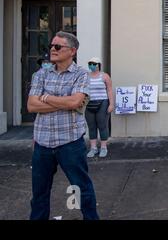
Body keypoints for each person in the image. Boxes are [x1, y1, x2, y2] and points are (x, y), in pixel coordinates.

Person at [27, 31, 99, 220]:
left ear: (72, 51)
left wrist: (47, 98)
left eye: (58, 46)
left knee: (82, 189)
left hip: (70, 143)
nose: (52, 49)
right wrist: (63, 102)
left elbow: (75, 103)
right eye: (51, 46)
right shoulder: (41, 74)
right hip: (42, 144)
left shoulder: (81, 75)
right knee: (39, 194)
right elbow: (31, 105)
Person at [85, 57, 114, 158]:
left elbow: (109, 90)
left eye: (94, 63)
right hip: (89, 104)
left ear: (98, 65)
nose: (92, 65)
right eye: (90, 63)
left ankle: (103, 147)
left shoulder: (104, 76)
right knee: (91, 126)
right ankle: (93, 148)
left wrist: (111, 104)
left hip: (103, 103)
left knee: (102, 125)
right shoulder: (86, 76)